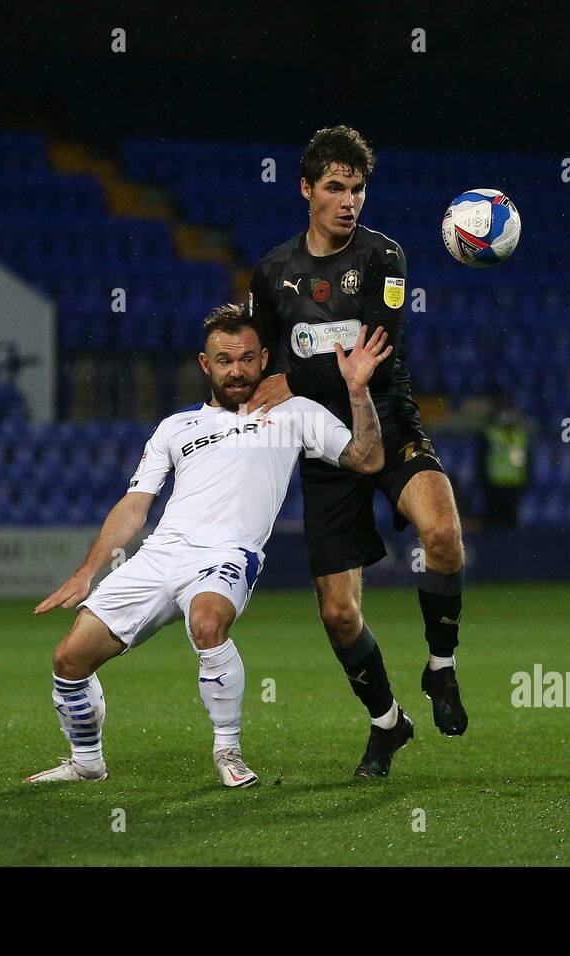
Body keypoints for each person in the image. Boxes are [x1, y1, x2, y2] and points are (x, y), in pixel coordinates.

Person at [26, 304, 390, 787]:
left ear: (264, 360)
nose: (236, 370)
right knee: (69, 660)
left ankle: (228, 751)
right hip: (161, 555)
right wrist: (87, 571)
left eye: (245, 359)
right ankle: (87, 761)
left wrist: (358, 391)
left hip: (227, 554)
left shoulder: (294, 412)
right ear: (205, 364)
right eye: (224, 360)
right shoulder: (175, 428)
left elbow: (367, 458)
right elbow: (135, 506)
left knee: (208, 621)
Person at [248, 125, 467, 777]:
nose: (349, 201)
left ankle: (442, 666)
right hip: (324, 448)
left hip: (391, 424)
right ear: (307, 189)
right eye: (336, 188)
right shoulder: (273, 273)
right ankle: (387, 724)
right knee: (339, 613)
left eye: (359, 188)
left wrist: (296, 376)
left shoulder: (384, 257)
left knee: (445, 533)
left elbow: (377, 348)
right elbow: (259, 367)